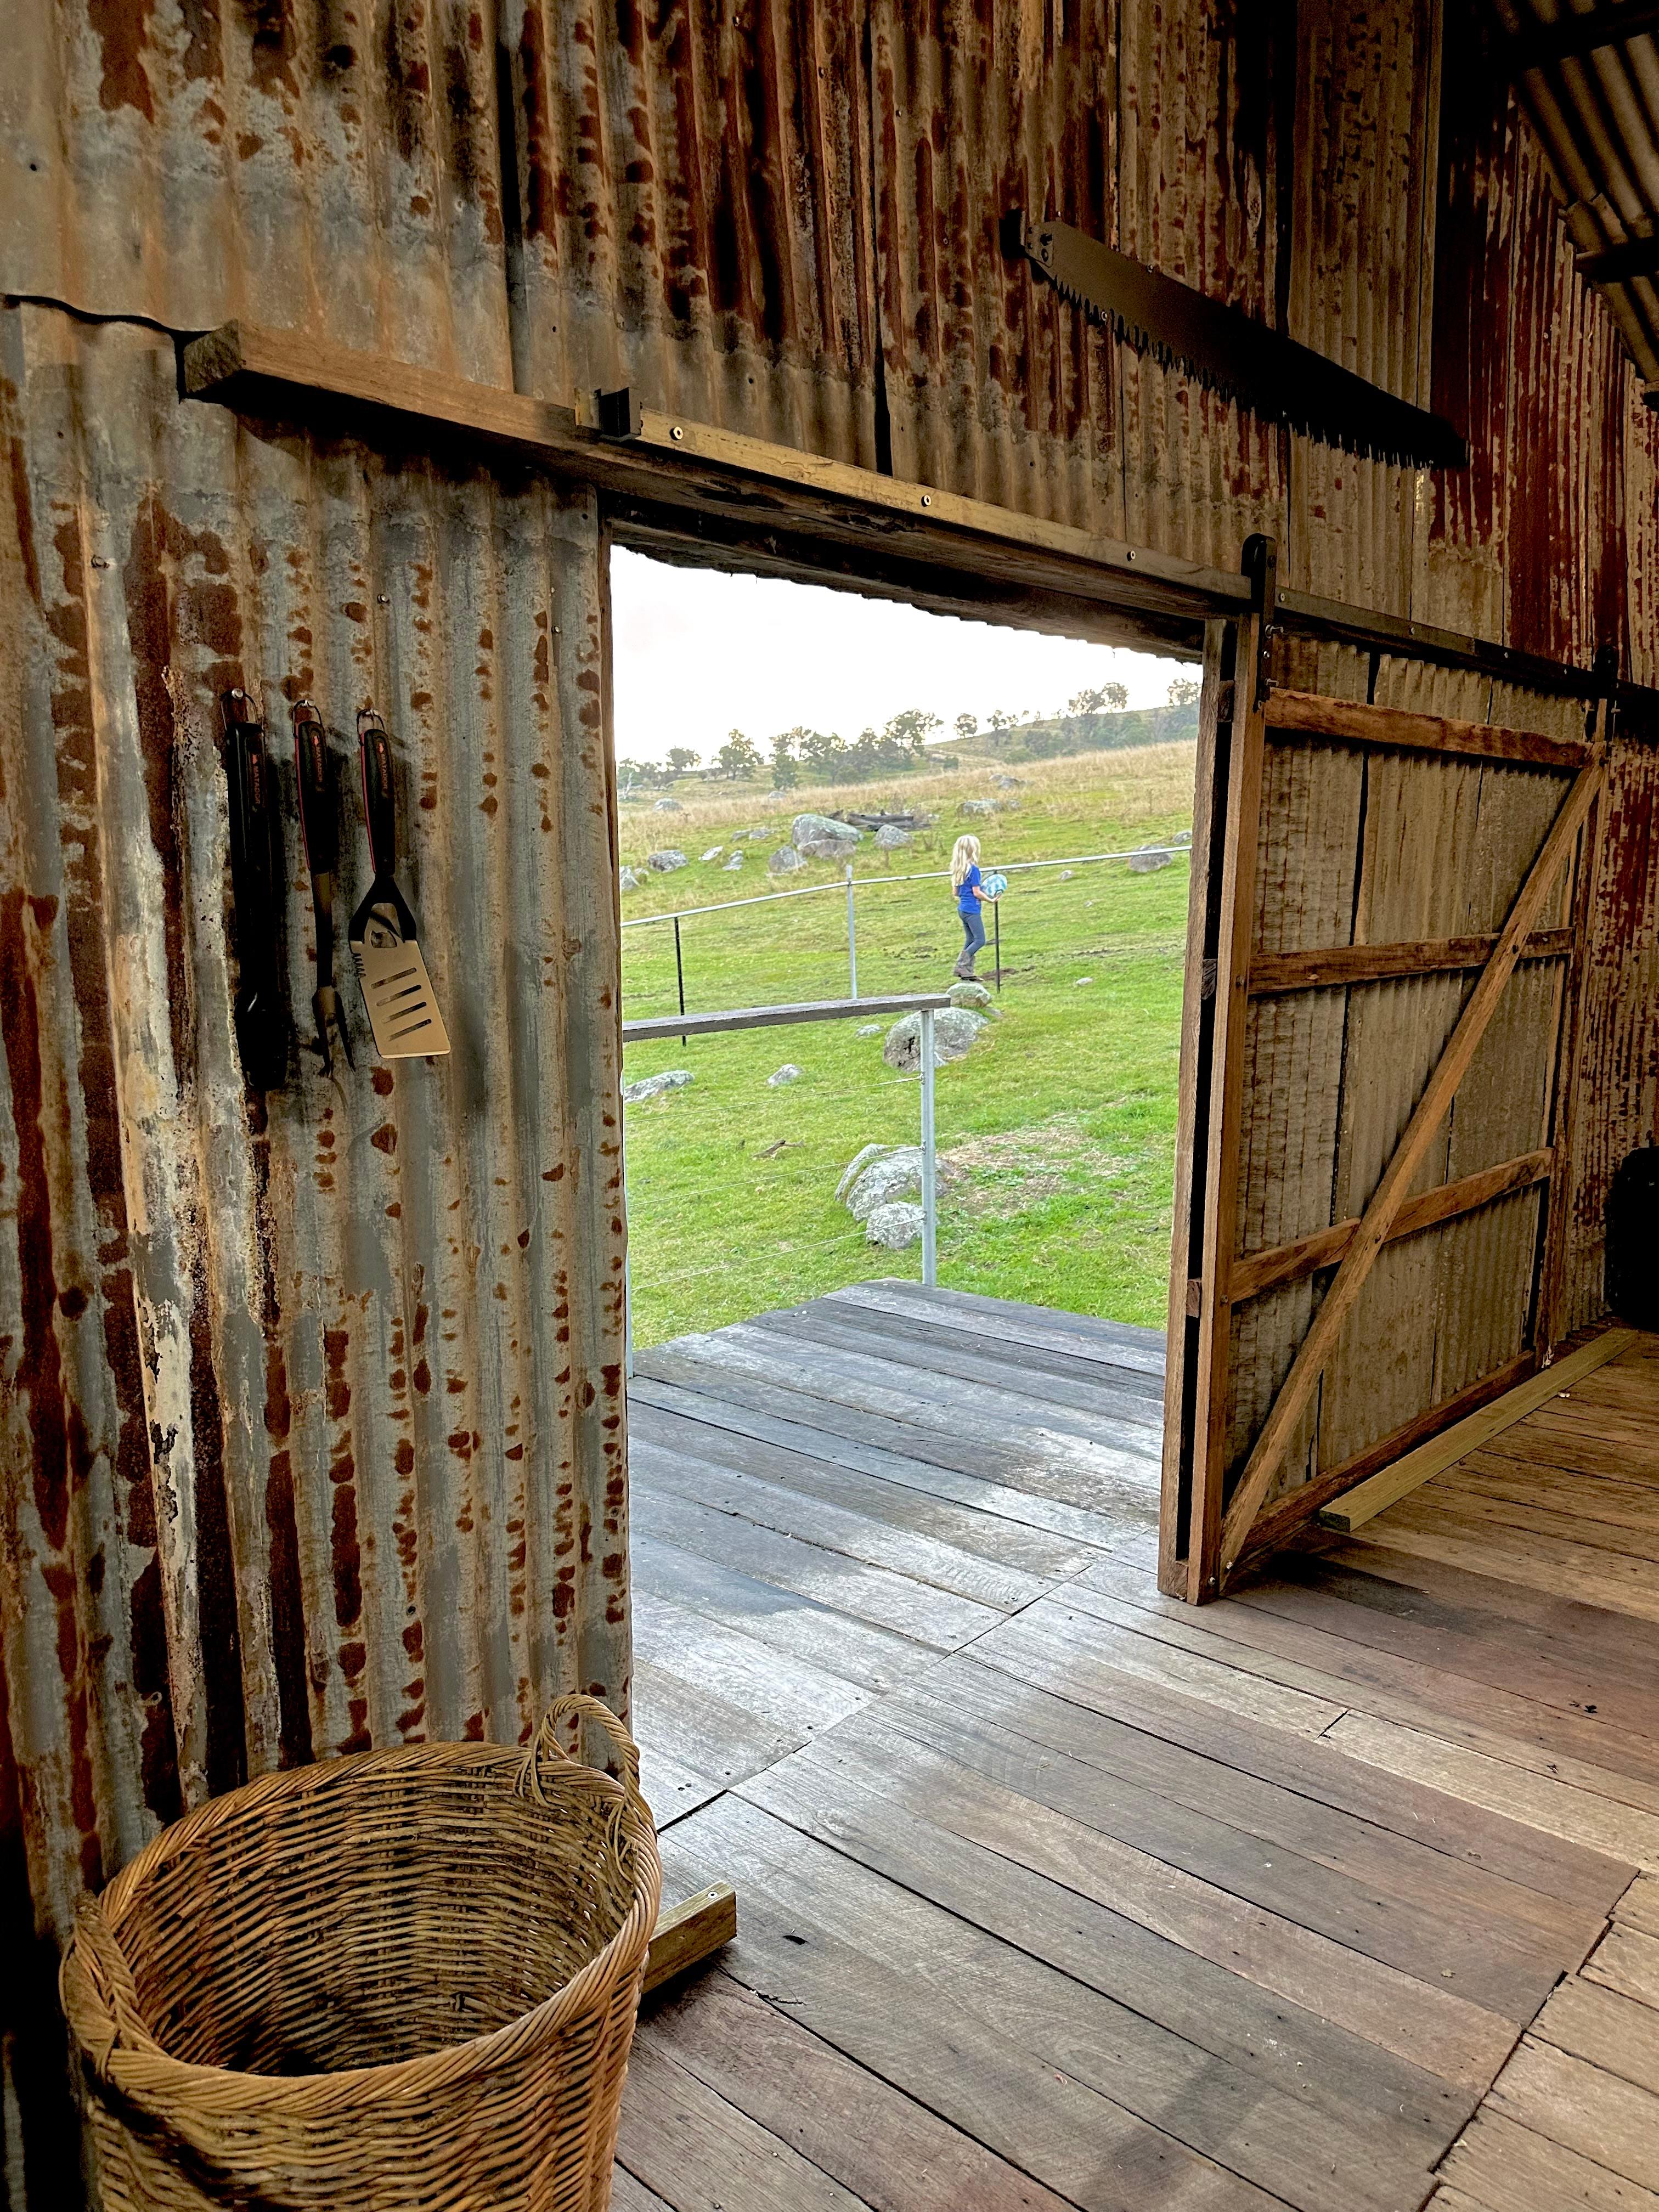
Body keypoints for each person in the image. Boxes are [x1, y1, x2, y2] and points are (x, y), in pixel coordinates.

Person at [950, 833, 998, 980]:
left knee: (970, 939)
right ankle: (961, 966)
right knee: (980, 940)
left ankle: (967, 971)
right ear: (973, 850)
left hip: (963, 909)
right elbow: (977, 893)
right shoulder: (974, 870)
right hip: (972, 910)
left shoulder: (959, 870)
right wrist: (991, 900)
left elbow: (956, 893)